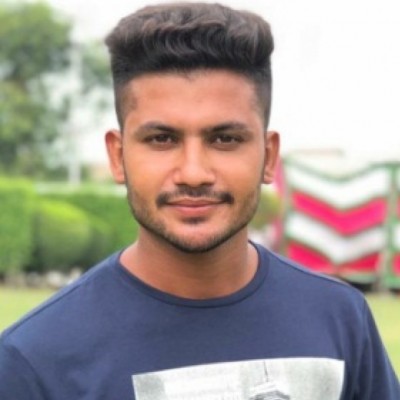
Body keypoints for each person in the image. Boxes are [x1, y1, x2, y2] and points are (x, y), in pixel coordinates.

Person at [0, 3, 399, 399]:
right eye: (162, 139)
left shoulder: (340, 319)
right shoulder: (34, 359)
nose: (193, 173)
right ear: (118, 156)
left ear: (268, 156)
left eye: (225, 139)